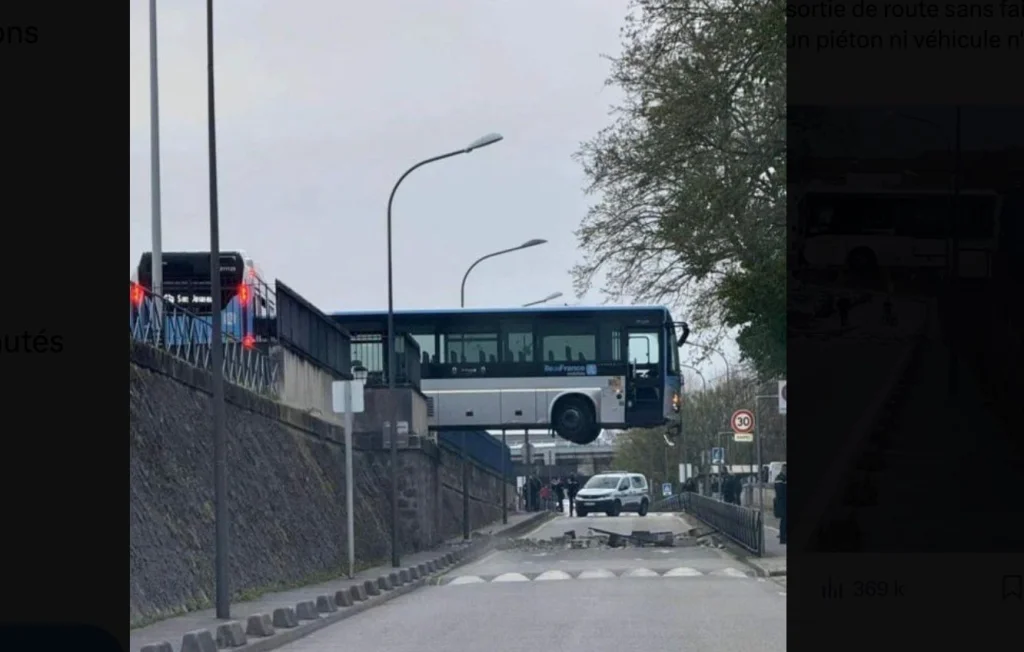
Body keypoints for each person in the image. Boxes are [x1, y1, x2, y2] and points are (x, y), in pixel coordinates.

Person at [773, 464, 787, 544]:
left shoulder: (782, 478)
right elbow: (780, 491)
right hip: (782, 503)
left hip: (783, 502)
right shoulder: (780, 478)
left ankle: (784, 536)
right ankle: (782, 538)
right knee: (784, 520)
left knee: (785, 520)